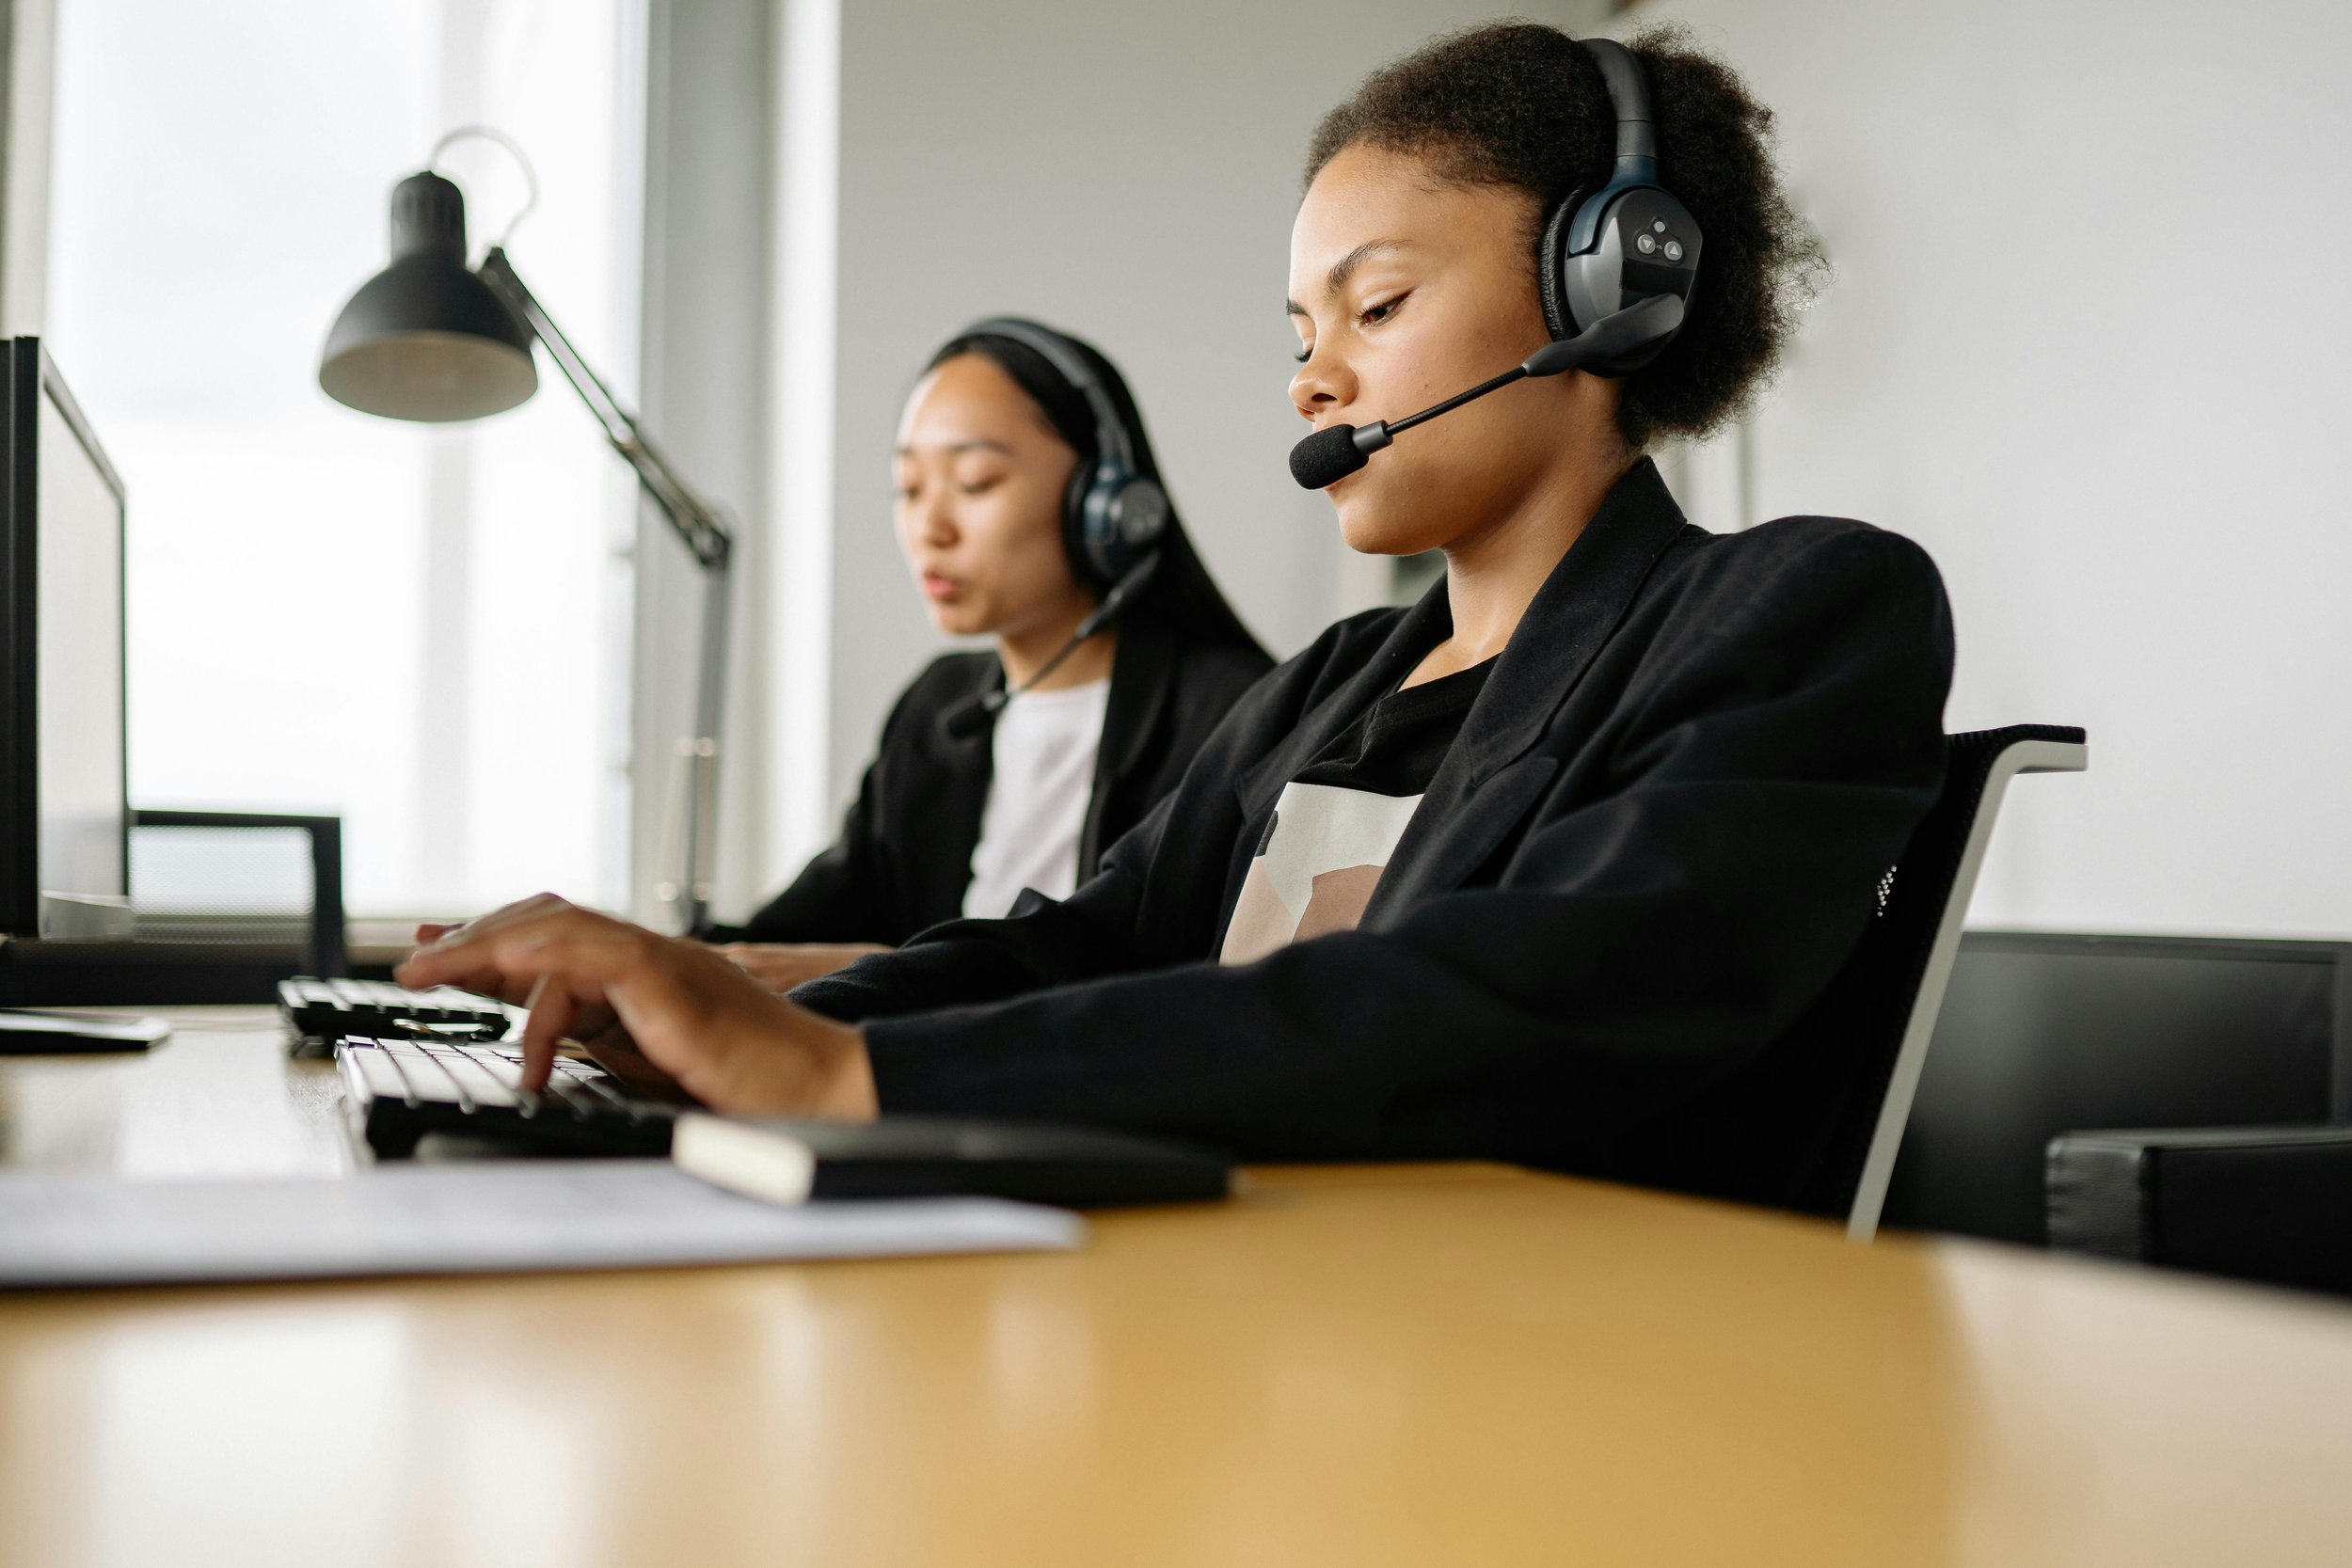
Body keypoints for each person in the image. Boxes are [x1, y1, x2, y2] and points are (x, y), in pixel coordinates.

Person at [403, 23, 1955, 1211]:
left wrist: (845, 1069)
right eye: (1301, 327)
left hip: (1542, 1348)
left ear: (1611, 286)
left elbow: (1503, 1007)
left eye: (1379, 305)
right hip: (1268, 1294)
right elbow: (1082, 949)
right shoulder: (1347, 679)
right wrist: (721, 1010)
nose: (1315, 378)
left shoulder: (1798, 611)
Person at [700, 319, 1269, 992]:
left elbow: (1174, 994)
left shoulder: (1236, 718)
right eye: (909, 487)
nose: (929, 528)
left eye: (974, 482)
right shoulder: (941, 707)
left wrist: (885, 976)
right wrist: (647, 959)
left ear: (1107, 505)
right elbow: (799, 927)